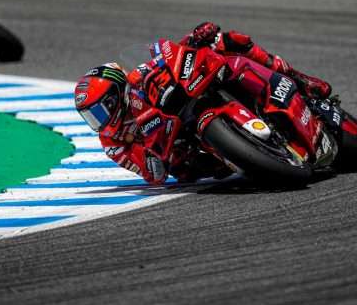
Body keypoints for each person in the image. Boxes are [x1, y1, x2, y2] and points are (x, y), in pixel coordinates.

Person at [73, 22, 332, 185]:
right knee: (186, 169)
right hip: (183, 145)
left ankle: (299, 79)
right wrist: (158, 159)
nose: (99, 122)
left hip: (192, 94)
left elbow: (168, 54)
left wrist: (193, 39)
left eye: (99, 111)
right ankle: (244, 154)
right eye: (91, 117)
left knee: (229, 43)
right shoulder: (113, 144)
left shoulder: (137, 77)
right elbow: (153, 174)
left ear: (117, 93)